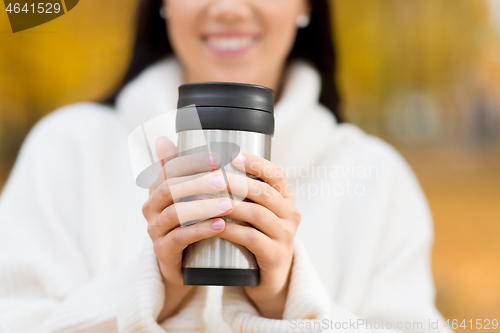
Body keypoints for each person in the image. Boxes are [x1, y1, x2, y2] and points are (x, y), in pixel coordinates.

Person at [0, 0, 451, 332]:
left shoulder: (376, 177)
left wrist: (286, 302)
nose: (230, 8)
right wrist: (154, 293)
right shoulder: (66, 150)